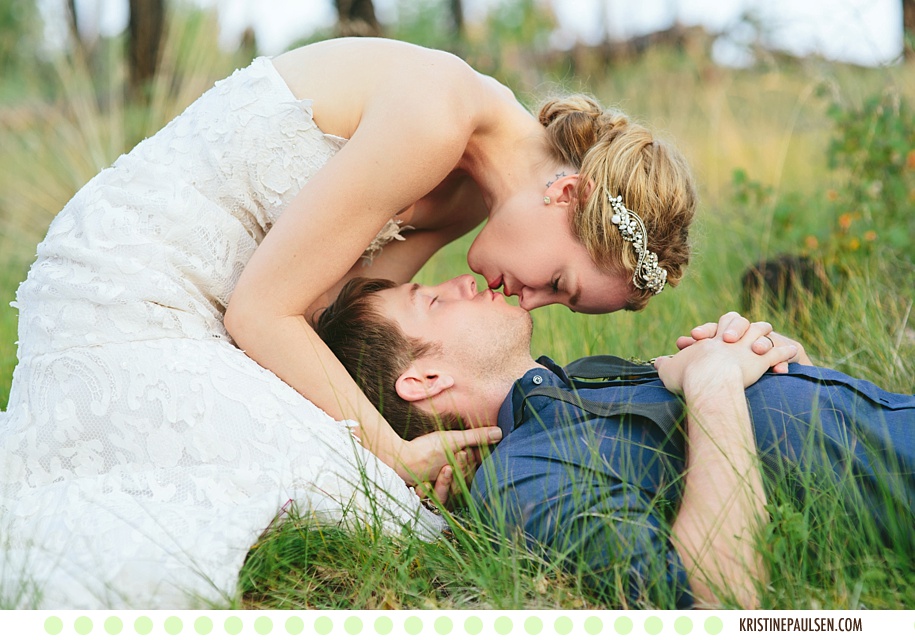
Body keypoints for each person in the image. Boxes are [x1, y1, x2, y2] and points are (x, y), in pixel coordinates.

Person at [0, 38, 697, 608]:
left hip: (227, 308)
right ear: (565, 193)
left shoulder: (466, 197)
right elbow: (264, 313)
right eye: (556, 284)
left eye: (557, 304)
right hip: (133, 283)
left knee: (353, 472)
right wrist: (391, 452)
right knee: (371, 494)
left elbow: (339, 316)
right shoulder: (434, 117)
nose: (529, 304)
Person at [314, 273, 915, 609]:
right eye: (434, 301)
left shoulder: (581, 384)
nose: (464, 283)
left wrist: (782, 365)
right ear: (423, 380)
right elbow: (719, 598)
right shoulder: (523, 477)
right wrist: (713, 384)